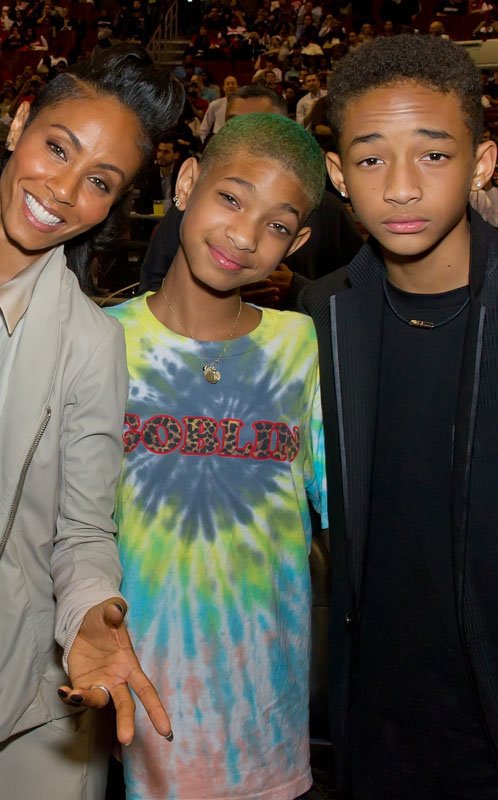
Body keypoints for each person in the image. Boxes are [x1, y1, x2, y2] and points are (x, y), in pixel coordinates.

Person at [300, 33, 498, 799]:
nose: (402, 187)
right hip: (372, 722)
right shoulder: (321, 312)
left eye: (435, 155)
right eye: (372, 158)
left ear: (482, 162)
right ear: (338, 174)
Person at [107, 112, 328, 800]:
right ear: (188, 181)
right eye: (231, 198)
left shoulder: (305, 350)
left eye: (277, 224)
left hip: (266, 726)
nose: (244, 235)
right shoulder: (97, 342)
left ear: (299, 241)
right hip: (129, 713)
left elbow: (347, 516)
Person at [0, 44, 184, 799]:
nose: (64, 190)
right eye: (56, 148)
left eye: (99, 181)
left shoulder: (91, 342)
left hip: (23, 695)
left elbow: (81, 531)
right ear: (18, 124)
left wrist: (92, 618)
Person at [139, 84, 363, 304]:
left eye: (279, 227)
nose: (244, 237)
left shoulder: (327, 209)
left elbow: (361, 291)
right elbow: (151, 284)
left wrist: (297, 289)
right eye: (233, 123)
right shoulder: (194, 207)